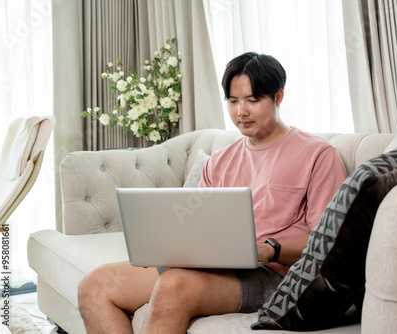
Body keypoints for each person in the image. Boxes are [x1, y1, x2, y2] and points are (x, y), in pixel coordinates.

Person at [78, 52, 347, 334]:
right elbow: (197, 225)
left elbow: (329, 244)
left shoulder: (317, 154)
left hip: (274, 275)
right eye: (233, 101)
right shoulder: (220, 160)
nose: (241, 111)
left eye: (252, 100)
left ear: (278, 97)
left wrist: (270, 250)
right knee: (95, 285)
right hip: (215, 268)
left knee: (174, 285)